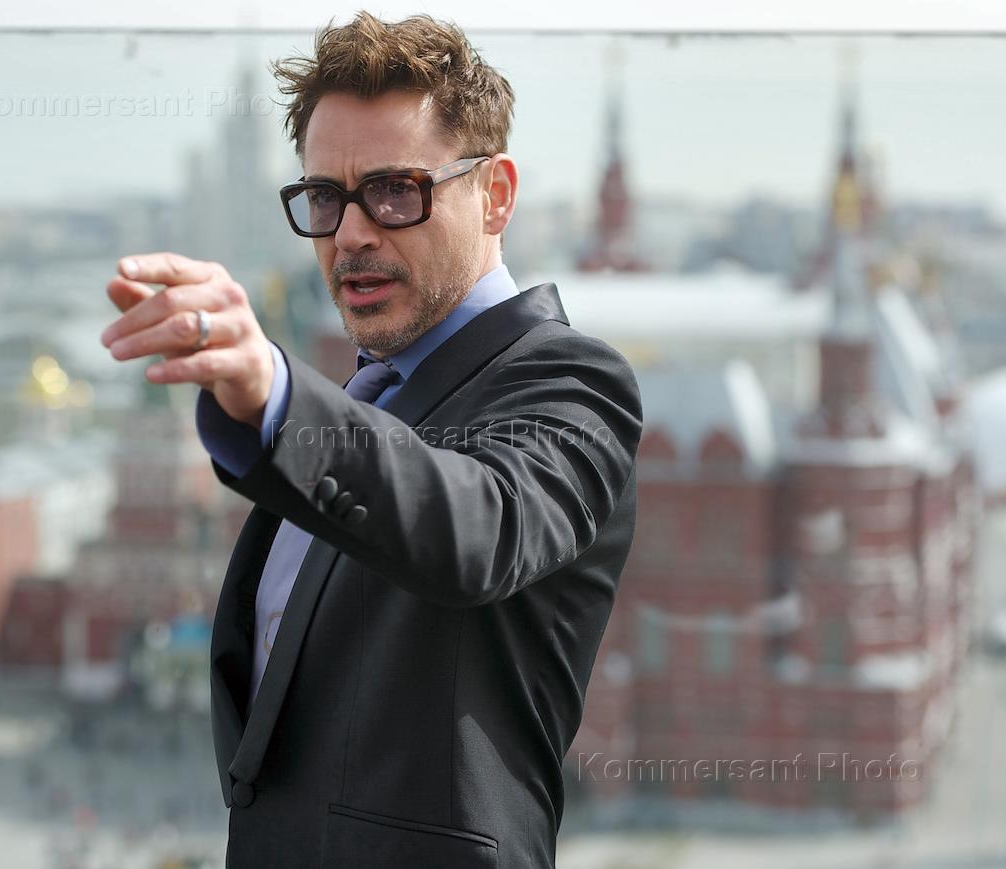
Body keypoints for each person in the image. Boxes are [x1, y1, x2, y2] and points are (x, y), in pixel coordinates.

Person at [101, 12, 643, 868]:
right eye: (326, 197)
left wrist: (278, 393)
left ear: (495, 194)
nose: (352, 233)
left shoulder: (572, 381)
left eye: (395, 189)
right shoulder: (361, 396)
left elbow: (477, 527)